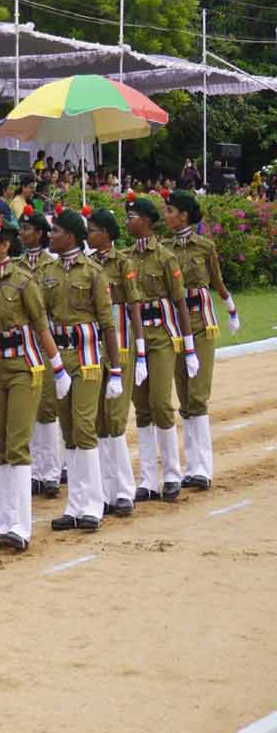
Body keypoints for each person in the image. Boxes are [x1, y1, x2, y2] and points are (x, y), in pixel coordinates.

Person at [0, 215, 68, 554]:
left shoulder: (24, 280)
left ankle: (20, 527)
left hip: (24, 368)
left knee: (17, 444)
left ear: (5, 246)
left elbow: (41, 326)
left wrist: (58, 369)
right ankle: (3, 523)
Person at [38, 209, 121, 532]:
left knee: (84, 427)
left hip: (87, 356)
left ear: (71, 236)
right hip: (60, 358)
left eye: (55, 231)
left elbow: (108, 324)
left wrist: (115, 370)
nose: (50, 236)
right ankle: (75, 504)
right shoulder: (48, 271)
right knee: (69, 429)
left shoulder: (93, 272)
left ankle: (93, 504)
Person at [166, 190, 237, 491]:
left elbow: (217, 281)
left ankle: (202, 467)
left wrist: (231, 308)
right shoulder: (164, 249)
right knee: (183, 394)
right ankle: (189, 466)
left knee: (197, 394)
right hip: (176, 324)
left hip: (201, 321)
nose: (165, 215)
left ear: (184, 214)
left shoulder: (205, 246)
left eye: (170, 210)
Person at [125, 196, 192, 502]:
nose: (128, 220)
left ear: (148, 222)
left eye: (133, 216)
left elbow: (180, 303)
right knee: (141, 406)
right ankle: (149, 478)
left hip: (162, 335)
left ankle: (173, 474)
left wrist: (189, 347)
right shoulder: (125, 258)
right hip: (134, 336)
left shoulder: (165, 257)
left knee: (160, 402)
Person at [89, 206, 144, 516]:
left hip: (120, 347)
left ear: (107, 234)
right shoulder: (88, 263)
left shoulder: (123, 263)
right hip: (94, 350)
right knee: (98, 420)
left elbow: (133, 306)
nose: (89, 233)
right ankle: (106, 492)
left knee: (115, 420)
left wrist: (139, 347)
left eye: (94, 229)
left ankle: (124, 490)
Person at [17, 207, 63, 498]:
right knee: (28, 406)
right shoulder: (17, 265)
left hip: (46, 340)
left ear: (41, 234)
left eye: (28, 229)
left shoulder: (52, 265)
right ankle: (34, 470)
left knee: (47, 408)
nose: (23, 234)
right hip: (23, 343)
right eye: (21, 229)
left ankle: (51, 472)